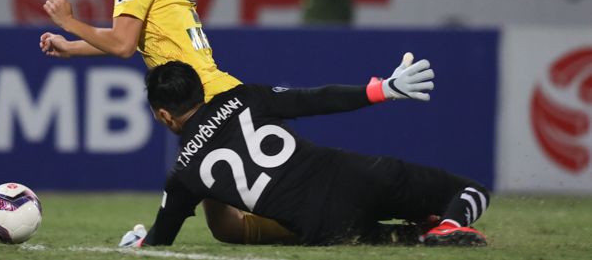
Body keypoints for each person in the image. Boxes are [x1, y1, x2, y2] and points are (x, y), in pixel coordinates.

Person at [38, 0, 294, 244]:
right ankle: (310, 230)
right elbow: (128, 39)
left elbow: (122, 44)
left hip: (213, 106)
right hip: (215, 101)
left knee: (265, 203)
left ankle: (324, 225)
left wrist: (69, 23)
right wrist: (71, 48)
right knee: (225, 225)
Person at [119, 55, 490, 247]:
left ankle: (426, 235)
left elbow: (159, 240)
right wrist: (382, 90)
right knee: (469, 190)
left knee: (409, 240)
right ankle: (450, 226)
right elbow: (316, 99)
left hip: (324, 228)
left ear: (164, 115)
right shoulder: (244, 97)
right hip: (354, 177)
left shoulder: (183, 174)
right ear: (201, 90)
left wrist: (135, 244)